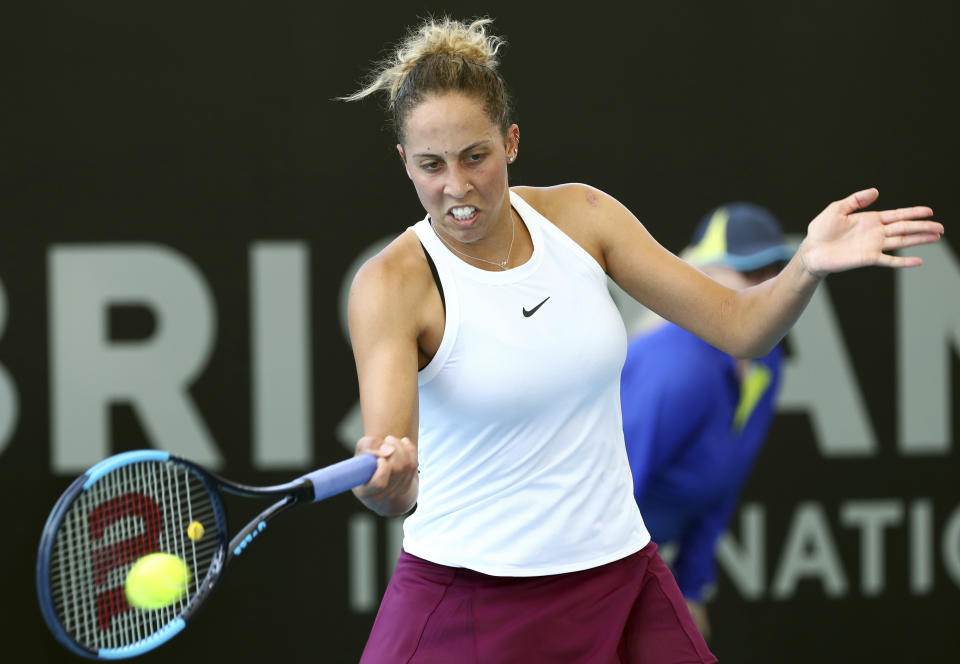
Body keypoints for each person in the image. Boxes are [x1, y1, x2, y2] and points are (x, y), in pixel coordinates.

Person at [341, 16, 941, 663]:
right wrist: (386, 482)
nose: (456, 186)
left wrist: (806, 266)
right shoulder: (389, 285)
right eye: (431, 165)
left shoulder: (584, 218)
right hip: (471, 595)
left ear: (511, 142)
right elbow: (397, 481)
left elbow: (742, 327)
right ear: (404, 162)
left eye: (475, 157)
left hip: (618, 575)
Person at [620, 202, 793, 643]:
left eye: (773, 269)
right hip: (582, 568)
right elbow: (617, 493)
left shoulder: (767, 363)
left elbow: (724, 484)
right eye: (748, 272)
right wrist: (620, 599)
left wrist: (691, 587)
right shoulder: (678, 370)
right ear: (703, 278)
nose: (766, 285)